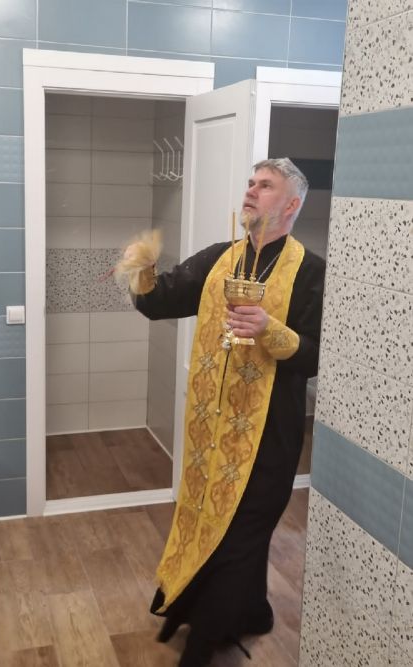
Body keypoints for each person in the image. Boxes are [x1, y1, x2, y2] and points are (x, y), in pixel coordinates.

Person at [127, 158, 325, 666]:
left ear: (292, 204)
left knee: (241, 534)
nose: (251, 191)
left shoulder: (311, 272)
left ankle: (202, 646)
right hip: (210, 433)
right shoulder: (220, 258)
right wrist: (142, 267)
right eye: (251, 183)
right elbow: (158, 301)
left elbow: (318, 356)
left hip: (268, 435)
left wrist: (268, 329)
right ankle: (252, 612)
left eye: (266, 186)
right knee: (207, 522)